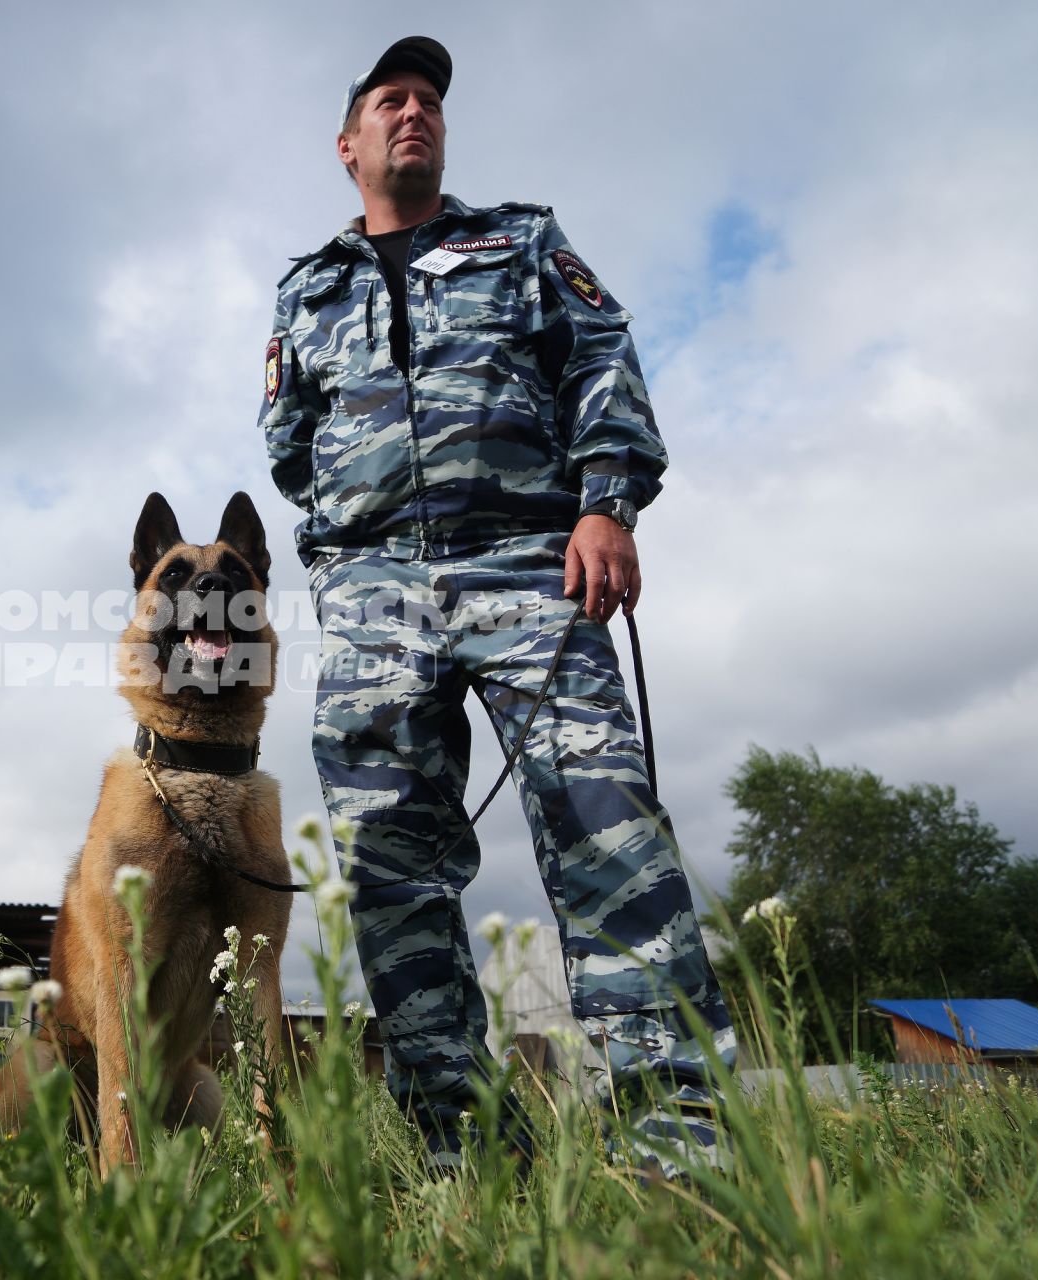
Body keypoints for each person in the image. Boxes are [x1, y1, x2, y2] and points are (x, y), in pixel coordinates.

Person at [258, 37, 734, 1174]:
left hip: (532, 563)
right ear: (348, 145)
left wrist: (604, 503)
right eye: (390, 100)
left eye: (428, 100)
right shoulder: (305, 287)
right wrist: (340, 567)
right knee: (388, 870)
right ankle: (465, 1147)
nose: (414, 111)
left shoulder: (518, 239)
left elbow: (601, 362)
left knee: (607, 833)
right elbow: (289, 446)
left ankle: (675, 1149)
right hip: (374, 596)